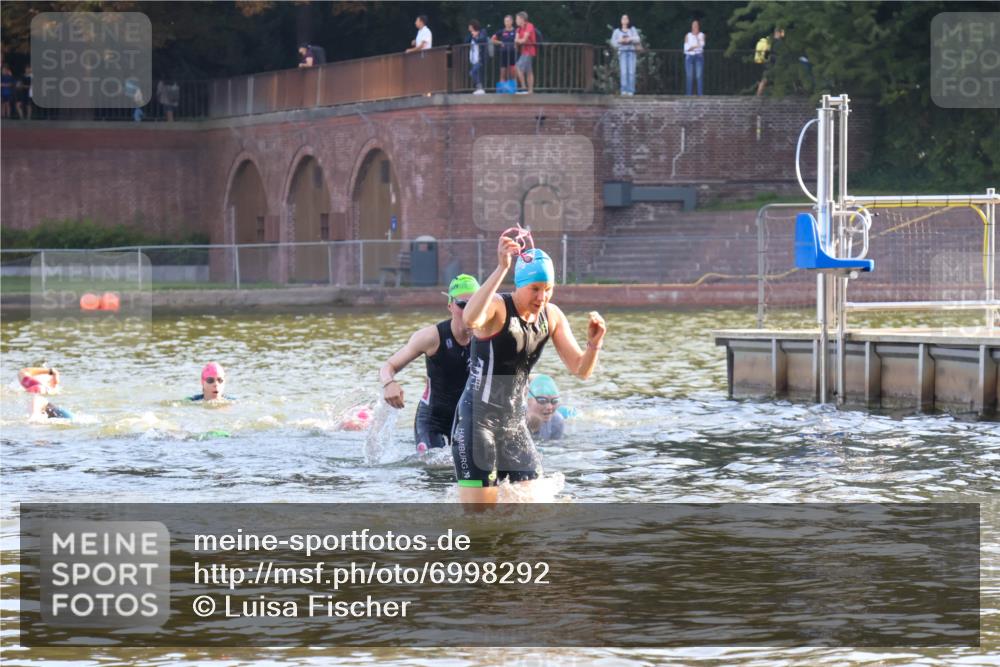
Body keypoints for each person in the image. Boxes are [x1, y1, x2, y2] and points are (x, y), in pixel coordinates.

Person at [451, 233, 607, 504]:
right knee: (479, 519)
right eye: (535, 288)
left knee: (533, 508)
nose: (542, 297)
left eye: (548, 289)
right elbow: (470, 318)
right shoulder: (498, 307)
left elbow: (581, 370)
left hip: (514, 424)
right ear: (519, 284)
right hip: (478, 423)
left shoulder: (552, 315)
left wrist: (594, 345)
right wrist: (501, 267)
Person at [381, 274, 480, 452]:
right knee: (434, 465)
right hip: (433, 421)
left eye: (475, 304)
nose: (469, 311)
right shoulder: (431, 337)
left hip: (468, 420)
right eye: (462, 304)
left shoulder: (489, 338)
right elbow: (388, 366)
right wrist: (389, 383)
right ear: (450, 305)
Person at [526, 374, 565, 441]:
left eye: (554, 401)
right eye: (542, 400)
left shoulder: (556, 422)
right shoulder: (513, 417)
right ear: (528, 400)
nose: (549, 407)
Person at [611, 14, 640, 96]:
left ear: (628, 20)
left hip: (631, 52)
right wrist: (620, 41)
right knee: (624, 72)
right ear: (621, 21)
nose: (624, 20)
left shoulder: (632, 29)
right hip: (622, 52)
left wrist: (630, 39)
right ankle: (623, 90)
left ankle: (631, 90)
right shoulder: (617, 31)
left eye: (626, 18)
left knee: (631, 72)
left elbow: (638, 39)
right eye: (623, 19)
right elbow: (613, 42)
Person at [756, 27, 784, 96]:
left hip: (768, 62)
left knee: (765, 78)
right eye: (782, 32)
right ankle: (759, 95)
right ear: (778, 33)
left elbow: (766, 53)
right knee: (766, 79)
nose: (783, 34)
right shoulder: (777, 42)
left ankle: (759, 94)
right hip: (773, 62)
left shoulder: (770, 40)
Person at [514, 11, 537, 94]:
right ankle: (530, 91)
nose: (516, 20)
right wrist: (519, 41)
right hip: (524, 51)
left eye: (517, 19)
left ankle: (523, 87)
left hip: (529, 51)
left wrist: (519, 41)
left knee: (517, 67)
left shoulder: (529, 26)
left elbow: (523, 40)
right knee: (529, 71)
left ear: (522, 19)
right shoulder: (518, 29)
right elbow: (516, 41)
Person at [492, 15, 518, 84]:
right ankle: (503, 88)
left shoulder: (516, 31)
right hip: (504, 54)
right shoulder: (501, 31)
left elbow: (519, 40)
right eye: (505, 21)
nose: (506, 23)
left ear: (512, 21)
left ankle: (513, 88)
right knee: (503, 73)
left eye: (508, 21)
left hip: (513, 54)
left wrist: (516, 44)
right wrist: (500, 42)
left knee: (513, 73)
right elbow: (492, 39)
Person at [684, 20, 705, 96]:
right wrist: (695, 46)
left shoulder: (701, 35)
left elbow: (702, 45)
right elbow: (686, 48)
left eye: (696, 25)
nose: (695, 27)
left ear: (698, 26)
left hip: (698, 56)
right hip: (689, 57)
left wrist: (696, 38)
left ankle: (700, 94)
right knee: (689, 76)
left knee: (699, 76)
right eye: (694, 25)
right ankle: (688, 95)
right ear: (691, 26)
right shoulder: (688, 35)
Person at [468, 20, 488, 94]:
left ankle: (480, 88)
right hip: (474, 59)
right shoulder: (472, 34)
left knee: (473, 72)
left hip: (480, 57)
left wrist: (475, 37)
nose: (469, 28)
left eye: (470, 27)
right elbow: (466, 40)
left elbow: (481, 40)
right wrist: (473, 35)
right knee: (476, 73)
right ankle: (479, 88)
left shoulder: (482, 32)